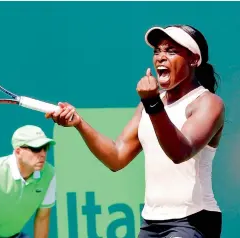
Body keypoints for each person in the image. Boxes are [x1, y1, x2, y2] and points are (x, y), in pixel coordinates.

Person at [46, 24, 224, 237]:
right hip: (151, 222)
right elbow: (117, 157)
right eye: (157, 51)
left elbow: (180, 152)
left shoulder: (208, 103)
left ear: (194, 59)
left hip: (193, 220)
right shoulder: (147, 107)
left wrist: (152, 103)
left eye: (171, 51)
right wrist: (79, 123)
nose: (160, 57)